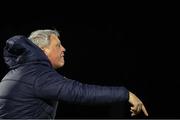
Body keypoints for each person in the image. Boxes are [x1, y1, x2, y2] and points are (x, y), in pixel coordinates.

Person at [0, 29, 148, 119]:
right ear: (44, 51)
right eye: (58, 45)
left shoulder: (19, 73)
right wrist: (126, 94)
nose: (63, 49)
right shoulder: (39, 75)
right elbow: (81, 93)